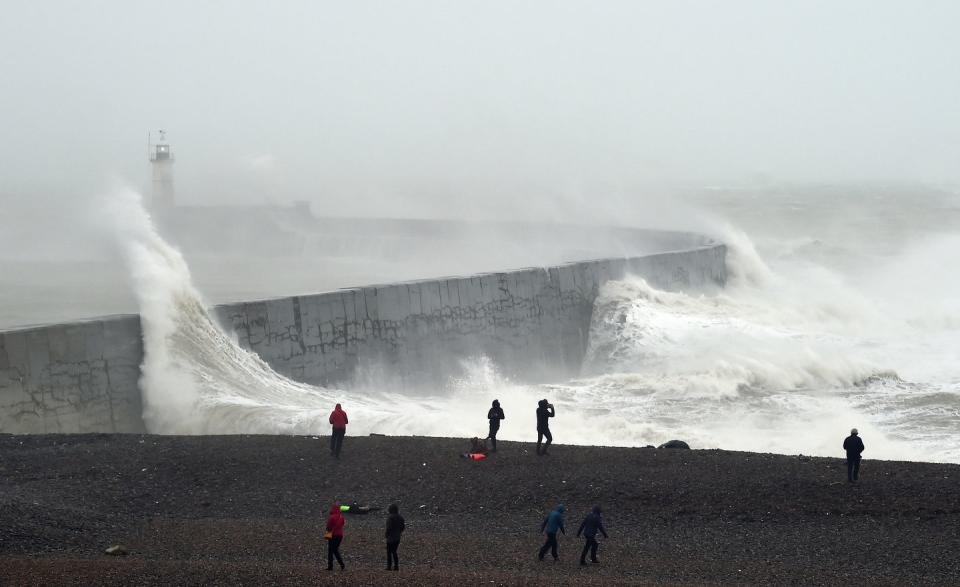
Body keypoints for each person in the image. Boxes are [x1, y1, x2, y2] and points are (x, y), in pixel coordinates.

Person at [385, 503, 406, 571]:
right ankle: (396, 566)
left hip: (391, 537)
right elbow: (403, 527)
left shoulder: (390, 517)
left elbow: (389, 527)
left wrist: (386, 534)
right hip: (397, 537)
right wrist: (399, 532)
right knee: (394, 551)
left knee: (389, 552)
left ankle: (389, 566)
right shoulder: (400, 517)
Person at [325, 502, 346, 570]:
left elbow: (328, 526)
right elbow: (342, 524)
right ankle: (341, 564)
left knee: (331, 550)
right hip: (340, 535)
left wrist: (327, 532)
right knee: (335, 549)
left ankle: (331, 566)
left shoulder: (332, 517)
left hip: (333, 535)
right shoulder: (341, 516)